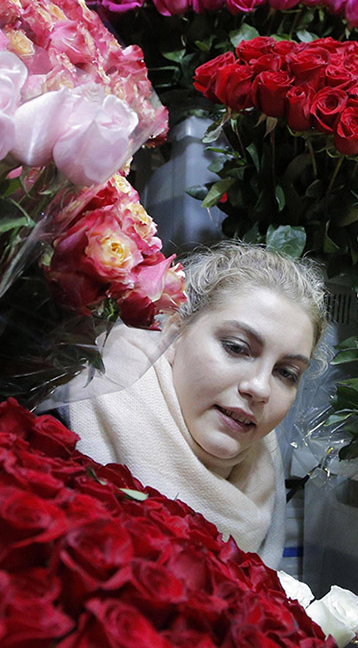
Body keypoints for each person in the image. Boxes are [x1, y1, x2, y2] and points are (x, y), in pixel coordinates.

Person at [66, 241, 327, 568]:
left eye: (286, 373)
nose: (259, 388)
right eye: (236, 348)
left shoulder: (265, 472)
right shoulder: (72, 416)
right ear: (174, 334)